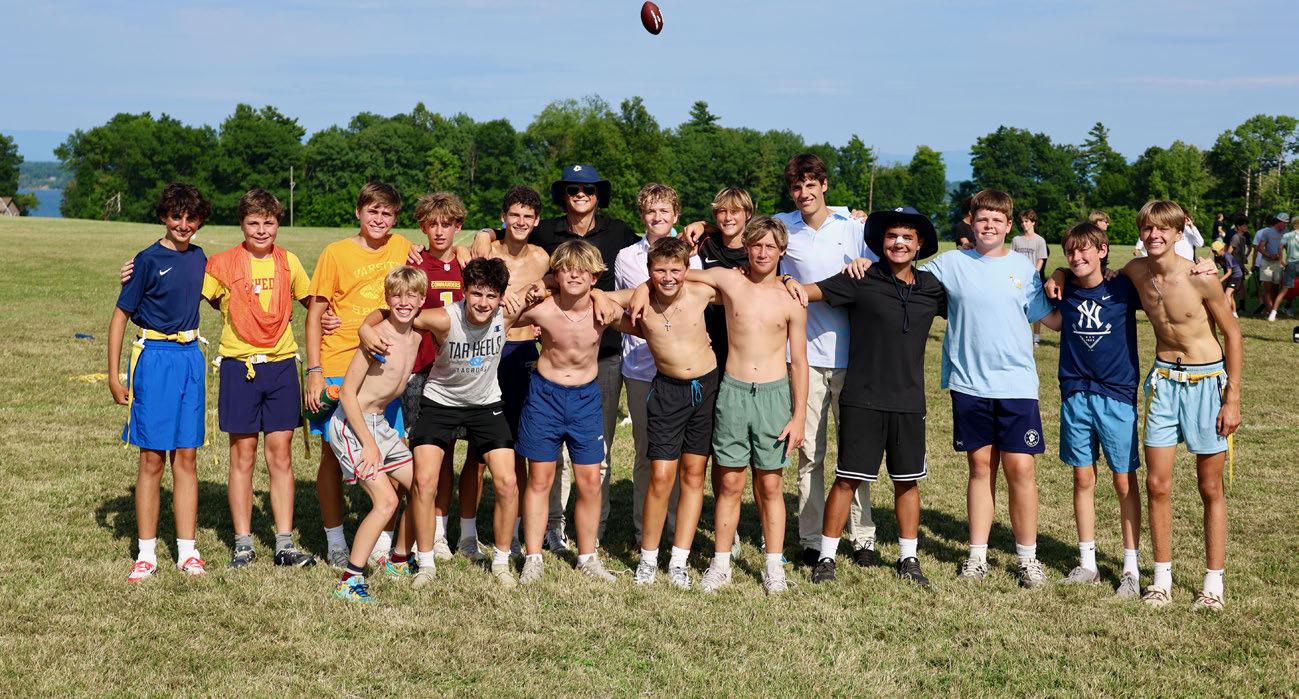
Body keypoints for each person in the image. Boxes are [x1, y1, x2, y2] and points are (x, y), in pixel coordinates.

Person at [635, 216, 809, 594]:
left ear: (782, 251)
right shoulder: (729, 280)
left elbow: (799, 362)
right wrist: (642, 289)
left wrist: (798, 416)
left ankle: (773, 565)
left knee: (770, 484)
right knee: (729, 482)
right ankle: (721, 562)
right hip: (732, 390)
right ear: (746, 247)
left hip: (774, 394)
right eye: (756, 245)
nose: (762, 253)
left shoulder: (792, 299)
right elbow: (675, 275)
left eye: (770, 246)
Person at [471, 165, 639, 552]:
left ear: (598, 195)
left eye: (588, 189)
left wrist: (604, 297)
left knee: (595, 461)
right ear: (564, 195)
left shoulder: (618, 232)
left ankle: (592, 536)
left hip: (601, 356)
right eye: (573, 189)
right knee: (545, 464)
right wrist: (484, 232)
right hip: (550, 360)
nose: (581, 194)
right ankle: (549, 529)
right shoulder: (547, 232)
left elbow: (655, 250)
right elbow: (512, 231)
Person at [795, 206, 945, 588]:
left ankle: (908, 558)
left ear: (919, 244)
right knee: (847, 478)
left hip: (908, 401)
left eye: (907, 237)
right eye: (892, 236)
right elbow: (807, 293)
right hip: (862, 397)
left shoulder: (932, 288)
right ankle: (826, 557)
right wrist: (782, 280)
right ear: (881, 242)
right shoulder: (859, 278)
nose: (899, 242)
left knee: (906, 481)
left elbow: (973, 304)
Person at [360, 258, 531, 588]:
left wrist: (538, 288)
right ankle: (425, 562)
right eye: (476, 293)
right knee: (424, 481)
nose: (483, 303)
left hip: (485, 404)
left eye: (491, 296)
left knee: (508, 482)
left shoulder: (507, 314)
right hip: (440, 403)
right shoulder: (443, 318)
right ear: (464, 292)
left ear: (501, 297)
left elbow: (555, 286)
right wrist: (365, 328)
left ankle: (501, 561)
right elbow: (393, 312)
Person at [925, 190, 1053, 588]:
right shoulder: (951, 263)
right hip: (970, 383)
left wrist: (1071, 278)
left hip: (1016, 384)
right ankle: (976, 557)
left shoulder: (1024, 268)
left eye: (997, 220)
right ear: (971, 221)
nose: (989, 226)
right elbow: (906, 278)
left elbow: (1051, 318)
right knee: (980, 468)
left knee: (1021, 469)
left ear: (1009, 225)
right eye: (982, 219)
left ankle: (1027, 559)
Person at [1121, 200, 1242, 611]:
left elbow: (1233, 334)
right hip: (1164, 383)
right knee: (1157, 484)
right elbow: (1096, 275)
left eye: (1163, 229)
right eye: (1147, 228)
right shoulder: (1136, 271)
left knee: (1210, 487)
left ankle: (1213, 584)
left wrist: (1232, 398)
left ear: (1178, 233)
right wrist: (1061, 273)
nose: (1154, 235)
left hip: (1207, 382)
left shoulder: (1200, 277)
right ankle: (1161, 580)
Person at [773, 154, 877, 568]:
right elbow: (742, 235)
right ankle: (813, 538)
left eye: (810, 185)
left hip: (853, 356)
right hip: (804, 358)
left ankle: (863, 535)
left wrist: (867, 261)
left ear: (824, 185)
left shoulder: (853, 227)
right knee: (809, 453)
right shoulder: (783, 226)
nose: (804, 193)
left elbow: (885, 265)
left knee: (856, 453)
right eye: (797, 187)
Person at [204, 188, 316, 569]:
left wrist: (333, 316)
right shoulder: (222, 264)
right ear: (242, 224)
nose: (261, 230)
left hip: (281, 365)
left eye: (269, 222)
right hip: (240, 366)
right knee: (243, 454)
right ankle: (243, 543)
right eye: (253, 222)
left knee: (281, 454)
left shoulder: (289, 262)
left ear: (278, 223)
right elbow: (194, 293)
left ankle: (284, 543)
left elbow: (313, 303)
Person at [304, 182, 415, 568]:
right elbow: (315, 315)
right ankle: (335, 540)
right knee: (332, 455)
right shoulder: (335, 253)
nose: (379, 219)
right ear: (358, 212)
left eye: (387, 213)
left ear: (395, 218)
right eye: (373, 211)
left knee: (390, 447)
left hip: (384, 371)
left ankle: (383, 542)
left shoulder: (402, 247)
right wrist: (315, 371)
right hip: (338, 365)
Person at [107, 183, 211, 582]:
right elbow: (120, 316)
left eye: (191, 218)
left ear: (200, 220)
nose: (183, 225)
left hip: (190, 359)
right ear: (163, 217)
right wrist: (114, 375)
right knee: (152, 457)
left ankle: (187, 551)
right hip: (154, 359)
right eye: (175, 217)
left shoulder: (200, 258)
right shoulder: (145, 260)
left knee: (186, 457)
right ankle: (146, 552)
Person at [1037, 222, 1144, 598]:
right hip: (1075, 393)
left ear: (1102, 250)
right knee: (1083, 479)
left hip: (1116, 396)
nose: (1076, 256)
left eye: (1084, 249)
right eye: (1070, 251)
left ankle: (1131, 568)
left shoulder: (1122, 287)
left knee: (1123, 481)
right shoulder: (1063, 288)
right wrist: (1055, 274)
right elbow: (1055, 322)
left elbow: (1156, 276)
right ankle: (1087, 564)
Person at [608, 236, 715, 588]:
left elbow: (742, 283)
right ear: (649, 270)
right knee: (661, 475)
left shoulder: (700, 292)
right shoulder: (641, 300)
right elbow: (600, 298)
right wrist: (641, 289)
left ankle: (679, 560)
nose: (668, 277)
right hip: (667, 391)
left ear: (686, 269)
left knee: (694, 475)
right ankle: (649, 558)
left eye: (675, 270)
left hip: (705, 388)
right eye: (659, 271)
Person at [514, 241, 624, 583]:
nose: (574, 276)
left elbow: (641, 312)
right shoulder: (543, 309)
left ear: (594, 276)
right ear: (556, 275)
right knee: (540, 478)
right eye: (566, 270)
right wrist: (537, 287)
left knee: (590, 480)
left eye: (582, 271)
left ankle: (588, 556)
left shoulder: (604, 310)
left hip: (586, 399)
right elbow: (506, 311)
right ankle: (533, 557)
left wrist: (603, 296)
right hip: (545, 397)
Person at [327, 266, 425, 603]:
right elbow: (347, 393)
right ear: (387, 299)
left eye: (411, 296)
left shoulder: (417, 337)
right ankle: (350, 579)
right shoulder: (377, 338)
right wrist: (368, 444)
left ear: (421, 300)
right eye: (396, 296)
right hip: (352, 426)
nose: (403, 302)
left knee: (423, 486)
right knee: (386, 502)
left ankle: (399, 559)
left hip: (380, 424)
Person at [614, 183, 701, 550]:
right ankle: (643, 532)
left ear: (676, 215)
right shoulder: (626, 258)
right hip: (640, 366)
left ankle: (676, 530)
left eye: (664, 211)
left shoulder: (694, 256)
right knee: (647, 453)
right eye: (651, 211)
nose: (657, 217)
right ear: (642, 215)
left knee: (681, 456)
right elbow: (620, 306)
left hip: (682, 367)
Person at [401, 192, 478, 564]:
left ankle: (445, 531)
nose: (440, 231)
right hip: (423, 372)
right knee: (428, 457)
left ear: (458, 226)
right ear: (423, 227)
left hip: (461, 373)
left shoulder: (469, 266)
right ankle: (425, 532)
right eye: (432, 224)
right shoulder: (416, 264)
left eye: (447, 224)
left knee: (458, 455)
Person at [483, 185, 551, 554]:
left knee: (523, 444)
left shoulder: (542, 258)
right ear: (503, 217)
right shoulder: (486, 249)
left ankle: (522, 525)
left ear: (536, 221)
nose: (521, 221)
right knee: (483, 448)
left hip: (525, 351)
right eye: (514, 215)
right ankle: (466, 531)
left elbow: (556, 288)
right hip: (488, 352)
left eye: (528, 216)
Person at [1012, 209, 1049, 345]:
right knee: (1018, 306)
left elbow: (1041, 259)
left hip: (1033, 279)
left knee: (1035, 307)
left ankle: (1036, 337)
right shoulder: (1016, 240)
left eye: (1026, 221)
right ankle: (1020, 336)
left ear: (1033, 222)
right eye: (1022, 222)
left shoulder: (1040, 240)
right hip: (1018, 279)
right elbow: (1012, 258)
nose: (1024, 224)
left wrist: (1033, 273)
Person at [1251, 213, 1288, 315]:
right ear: (1278, 222)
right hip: (1266, 263)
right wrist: (1269, 255)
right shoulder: (1267, 232)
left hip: (1278, 264)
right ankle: (1271, 311)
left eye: (1287, 223)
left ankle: (1272, 309)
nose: (1285, 225)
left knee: (1276, 288)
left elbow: (1287, 247)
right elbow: (1260, 248)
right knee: (1268, 288)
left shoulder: (1285, 232)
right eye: (1284, 223)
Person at [1266, 216, 1299, 321]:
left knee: (1284, 290)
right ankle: (1286, 308)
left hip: (1290, 264)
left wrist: (1281, 260)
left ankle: (1273, 313)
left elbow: (1280, 247)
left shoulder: (1287, 235)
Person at [1211, 240, 1243, 317]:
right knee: (1230, 295)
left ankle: (1226, 313)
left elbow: (1229, 272)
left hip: (1236, 276)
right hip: (1230, 276)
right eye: (1213, 252)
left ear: (1221, 250)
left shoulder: (1227, 257)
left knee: (1227, 293)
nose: (1215, 254)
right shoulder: (1217, 257)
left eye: (1216, 251)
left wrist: (1220, 280)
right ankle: (1234, 313)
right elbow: (1216, 268)